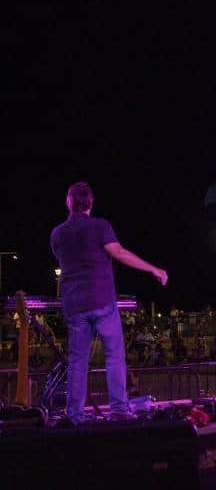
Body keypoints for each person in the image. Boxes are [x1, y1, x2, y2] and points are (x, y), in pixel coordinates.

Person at [50, 182, 167, 424]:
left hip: (74, 307)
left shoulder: (58, 234)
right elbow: (119, 253)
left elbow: (65, 257)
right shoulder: (100, 226)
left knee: (77, 362)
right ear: (91, 203)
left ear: (69, 203)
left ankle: (75, 415)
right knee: (114, 356)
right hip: (103, 301)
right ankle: (119, 410)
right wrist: (153, 269)